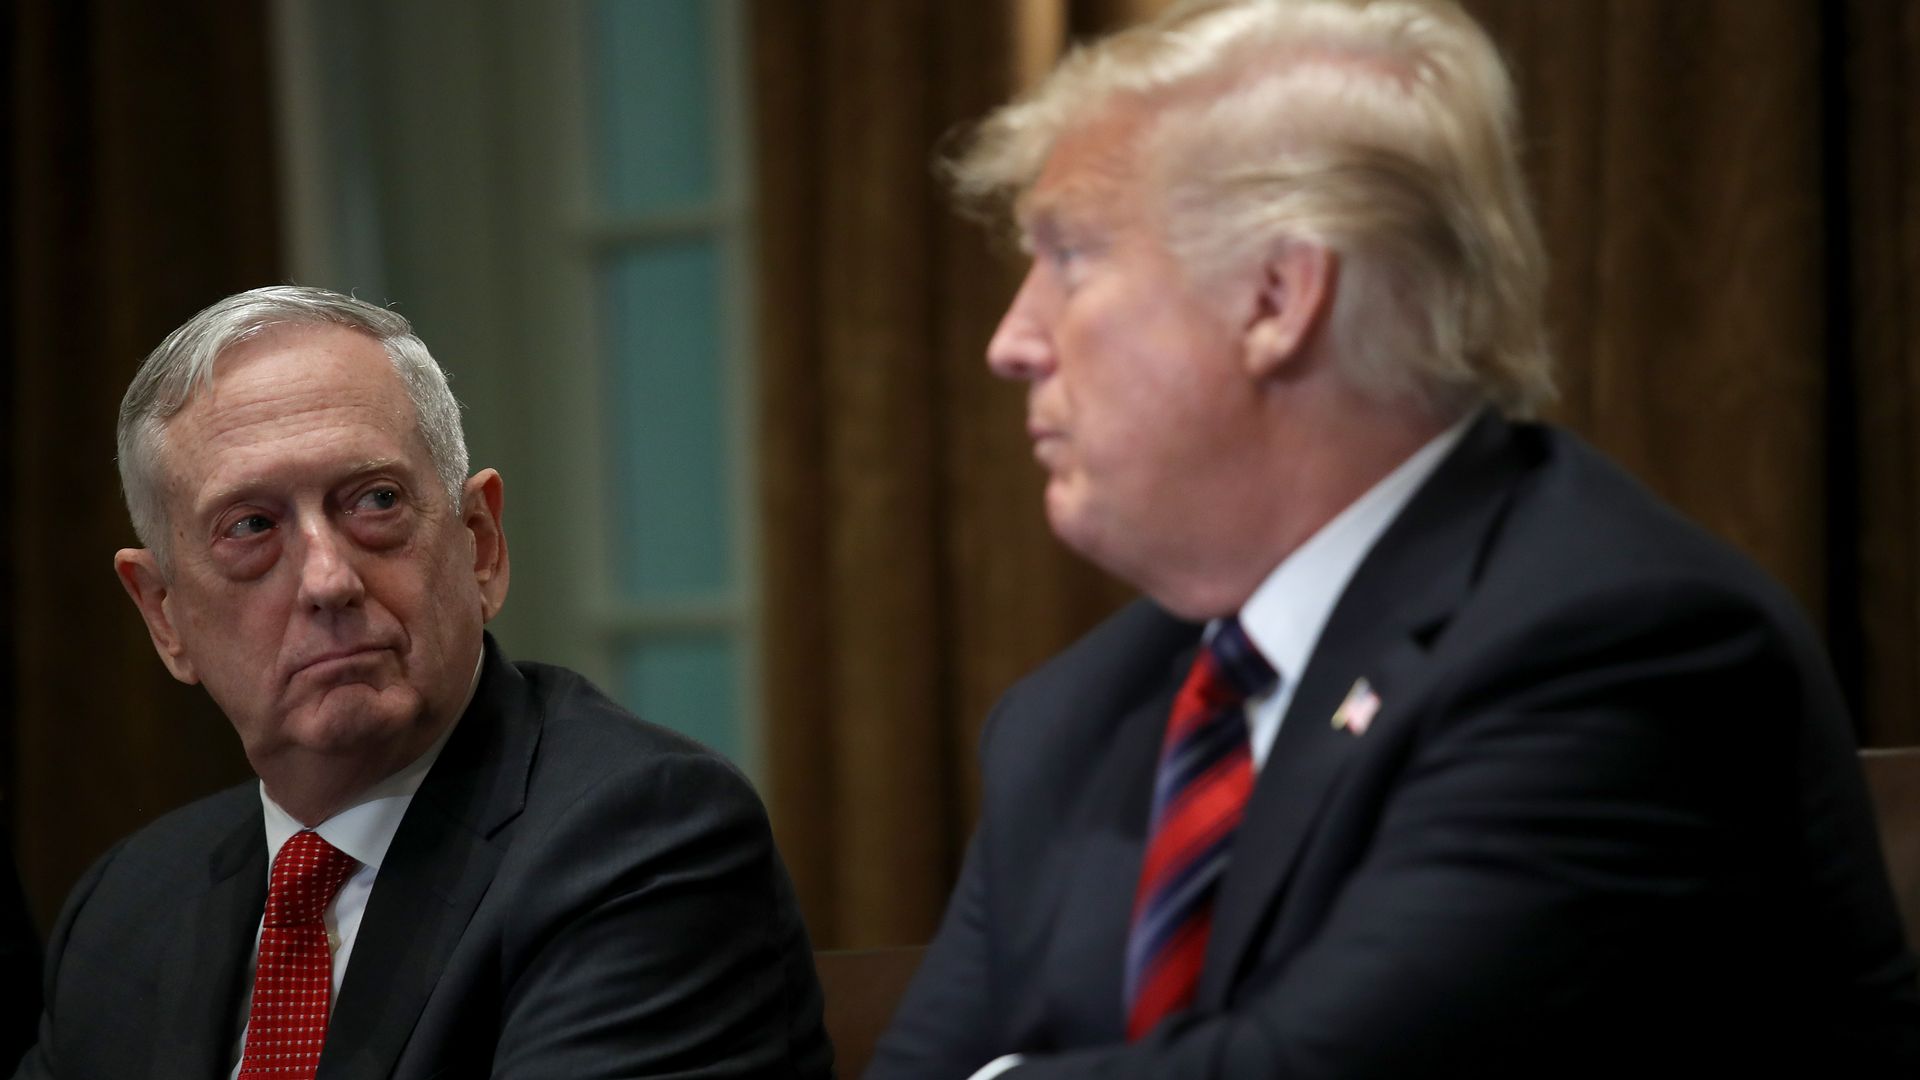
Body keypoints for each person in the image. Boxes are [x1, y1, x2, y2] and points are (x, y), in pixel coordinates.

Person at [870, 0, 1920, 1076]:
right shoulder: (1073, 718)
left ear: (1276, 296)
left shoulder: (1610, 641)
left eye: (1072, 257)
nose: (1013, 341)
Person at [15, 286, 833, 1079]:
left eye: (374, 501)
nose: (328, 580)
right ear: (164, 614)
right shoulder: (129, 905)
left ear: (480, 545)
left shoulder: (642, 840)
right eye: (252, 527)